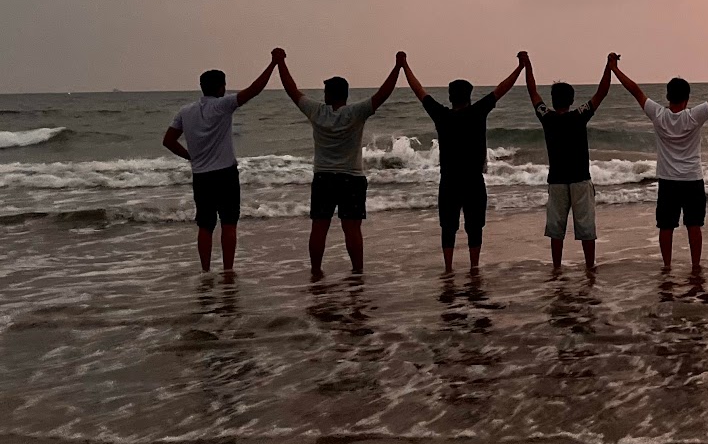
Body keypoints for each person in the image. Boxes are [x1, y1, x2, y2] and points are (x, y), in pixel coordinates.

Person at [610, 54, 708, 274]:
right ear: (688, 98)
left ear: (667, 96)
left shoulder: (659, 115)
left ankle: (667, 267)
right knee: (694, 225)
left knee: (666, 226)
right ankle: (695, 267)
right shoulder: (694, 116)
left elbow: (635, 90)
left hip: (668, 181)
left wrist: (614, 69)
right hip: (692, 179)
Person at [276, 48, 403, 278]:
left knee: (319, 227)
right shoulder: (355, 112)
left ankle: (316, 270)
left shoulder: (317, 111)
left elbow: (291, 91)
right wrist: (398, 67)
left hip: (324, 176)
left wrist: (280, 63)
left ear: (327, 95)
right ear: (345, 95)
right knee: (352, 229)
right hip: (351, 178)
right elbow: (383, 94)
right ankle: (357, 272)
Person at [401, 52, 527, 274]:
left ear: (450, 97)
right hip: (473, 181)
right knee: (475, 227)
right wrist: (520, 67)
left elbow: (419, 90)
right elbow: (501, 89)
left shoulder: (442, 115)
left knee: (448, 228)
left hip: (448, 181)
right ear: (469, 96)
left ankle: (448, 269)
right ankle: (474, 267)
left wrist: (404, 65)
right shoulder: (477, 112)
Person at [161, 55, 279, 272]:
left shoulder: (185, 112)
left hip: (201, 175)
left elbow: (168, 141)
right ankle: (227, 270)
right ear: (221, 88)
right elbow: (254, 89)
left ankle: (205, 271)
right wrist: (273, 64)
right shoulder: (223, 105)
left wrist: (190, 156)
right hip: (225, 173)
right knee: (228, 224)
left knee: (205, 226)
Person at [527, 53, 614, 272]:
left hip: (557, 181)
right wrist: (609, 65)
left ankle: (557, 268)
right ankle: (589, 268)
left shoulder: (547, 117)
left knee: (556, 229)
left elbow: (532, 92)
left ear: (553, 100)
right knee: (586, 228)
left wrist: (526, 65)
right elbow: (602, 92)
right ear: (572, 100)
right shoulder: (579, 116)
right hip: (580, 180)